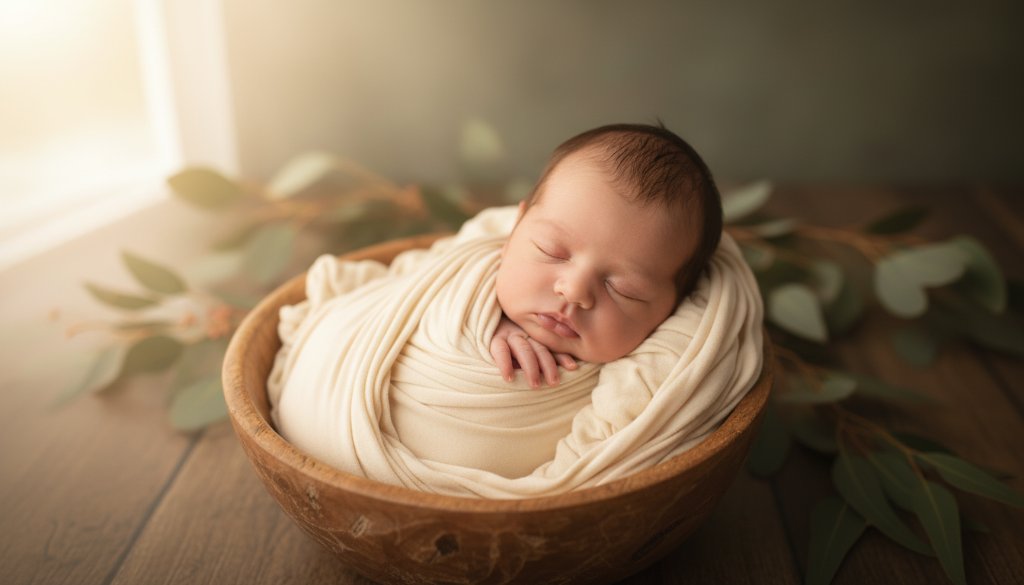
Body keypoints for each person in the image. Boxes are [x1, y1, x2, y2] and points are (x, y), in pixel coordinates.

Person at [489, 122, 723, 388]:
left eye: (623, 289)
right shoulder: (460, 292)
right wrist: (485, 325)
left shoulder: (645, 383)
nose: (575, 291)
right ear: (514, 230)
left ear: (673, 310)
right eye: (550, 250)